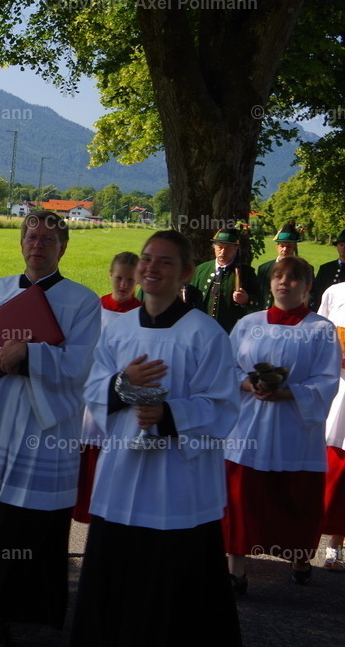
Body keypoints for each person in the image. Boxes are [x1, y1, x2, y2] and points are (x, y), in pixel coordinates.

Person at [71, 230, 241, 646]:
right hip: (124, 470)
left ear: (185, 273)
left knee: (171, 583)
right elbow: (93, 387)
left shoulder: (204, 334)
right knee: (117, 570)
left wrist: (169, 414)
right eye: (147, 259)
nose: (151, 268)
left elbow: (223, 405)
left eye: (165, 262)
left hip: (178, 480)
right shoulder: (118, 329)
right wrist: (123, 385)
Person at [0, 210, 100, 646]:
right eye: (31, 236)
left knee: (29, 523)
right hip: (0, 418)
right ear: (21, 243)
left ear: (63, 247)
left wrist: (30, 354)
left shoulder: (82, 301)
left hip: (45, 431)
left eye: (48, 239)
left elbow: (82, 364)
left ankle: (33, 609)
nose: (38, 244)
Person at [224, 257, 340, 590]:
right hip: (250, 425)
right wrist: (249, 385)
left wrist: (288, 394)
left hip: (295, 428)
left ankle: (300, 557)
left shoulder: (320, 329)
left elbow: (327, 380)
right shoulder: (248, 323)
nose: (283, 283)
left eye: (293, 278)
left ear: (307, 287)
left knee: (295, 497)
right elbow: (226, 368)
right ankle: (237, 569)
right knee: (243, 496)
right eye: (278, 276)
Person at [73, 252, 142, 524]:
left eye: (130, 279)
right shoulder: (94, 309)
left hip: (124, 398)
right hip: (91, 395)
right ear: (109, 276)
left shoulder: (141, 315)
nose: (123, 285)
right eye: (118, 278)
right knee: (86, 466)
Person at [318, 280, 345, 570]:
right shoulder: (335, 292)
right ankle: (310, 546)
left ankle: (337, 543)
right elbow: (320, 339)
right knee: (330, 465)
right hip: (337, 390)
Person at [190, 227, 259, 333]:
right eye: (220, 247)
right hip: (202, 330)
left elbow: (259, 301)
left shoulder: (246, 273)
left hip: (230, 331)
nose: (223, 251)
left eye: (228, 248)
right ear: (214, 248)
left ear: (236, 249)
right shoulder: (201, 270)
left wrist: (247, 299)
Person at [256, 222, 301, 309]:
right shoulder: (264, 269)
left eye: (288, 246)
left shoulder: (304, 269)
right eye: (282, 246)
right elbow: (258, 295)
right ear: (277, 246)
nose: (285, 249)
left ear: (294, 247)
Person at [311, 229, 345, 310]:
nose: (343, 248)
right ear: (337, 247)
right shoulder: (325, 268)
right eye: (341, 245)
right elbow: (316, 292)